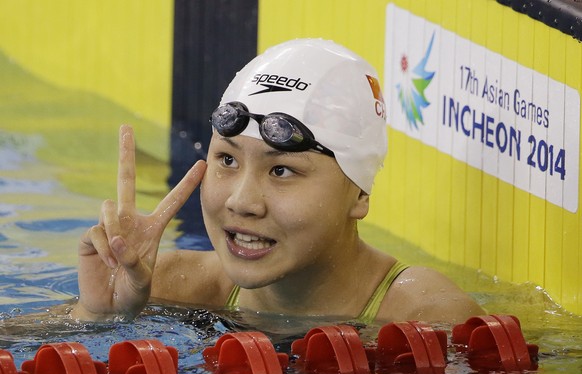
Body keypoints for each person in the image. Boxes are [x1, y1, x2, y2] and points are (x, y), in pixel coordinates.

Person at [70, 39, 484, 324]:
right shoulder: (166, 285)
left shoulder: (427, 316)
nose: (241, 201)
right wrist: (97, 316)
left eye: (282, 170)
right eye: (227, 159)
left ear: (359, 192)